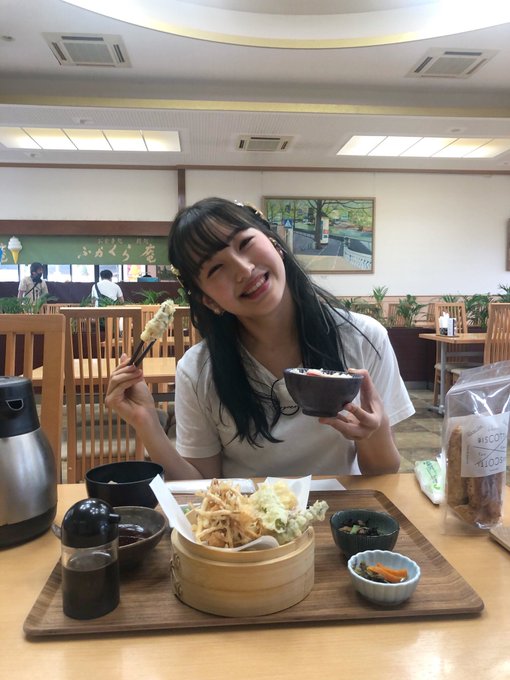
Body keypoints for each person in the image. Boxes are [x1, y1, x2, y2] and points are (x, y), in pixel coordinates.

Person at [106, 197, 414, 480]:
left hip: (339, 515)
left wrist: (372, 432)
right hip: (246, 520)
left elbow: (384, 472)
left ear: (274, 243)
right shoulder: (198, 370)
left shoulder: (363, 338)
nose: (244, 269)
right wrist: (147, 423)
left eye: (245, 243)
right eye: (216, 268)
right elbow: (200, 486)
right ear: (208, 299)